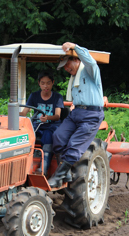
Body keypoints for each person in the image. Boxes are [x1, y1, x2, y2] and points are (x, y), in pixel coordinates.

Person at [48, 42, 105, 188]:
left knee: (74, 145)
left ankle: (58, 176)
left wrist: (75, 47)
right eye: (64, 67)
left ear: (77, 60)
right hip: (77, 112)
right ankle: (65, 171)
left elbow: (90, 60)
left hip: (91, 114)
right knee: (57, 136)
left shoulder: (90, 71)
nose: (67, 68)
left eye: (68, 64)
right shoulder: (74, 80)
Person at [20, 69, 64, 175]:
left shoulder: (57, 97)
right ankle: (24, 165)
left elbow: (57, 116)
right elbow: (24, 112)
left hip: (52, 125)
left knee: (48, 135)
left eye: (48, 83)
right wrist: (11, 115)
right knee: (26, 133)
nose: (45, 86)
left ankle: (43, 168)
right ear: (39, 83)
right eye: (43, 83)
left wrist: (48, 117)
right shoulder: (34, 96)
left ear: (53, 83)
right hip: (38, 125)